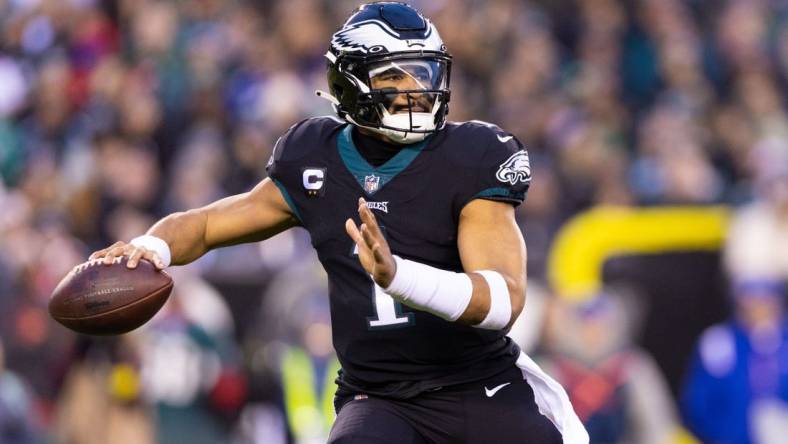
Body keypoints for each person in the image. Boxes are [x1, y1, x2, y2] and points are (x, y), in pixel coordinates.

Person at [89, 3, 587, 443]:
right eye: (395, 77)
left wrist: (400, 277)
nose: (415, 90)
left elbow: (503, 301)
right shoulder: (314, 159)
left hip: (476, 384)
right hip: (379, 397)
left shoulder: (470, 155)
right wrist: (150, 247)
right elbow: (205, 226)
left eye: (422, 74)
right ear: (349, 82)